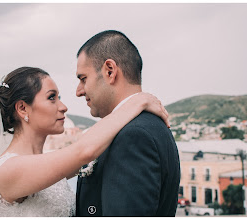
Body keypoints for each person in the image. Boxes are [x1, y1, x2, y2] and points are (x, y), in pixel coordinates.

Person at [0, 67, 169, 217]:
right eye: (51, 97)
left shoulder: (43, 163)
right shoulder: (7, 170)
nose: (63, 106)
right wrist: (138, 101)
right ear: (22, 109)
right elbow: (84, 150)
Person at [75, 30, 180, 216]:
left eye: (83, 79)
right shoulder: (146, 127)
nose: (79, 91)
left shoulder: (134, 136)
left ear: (110, 71)